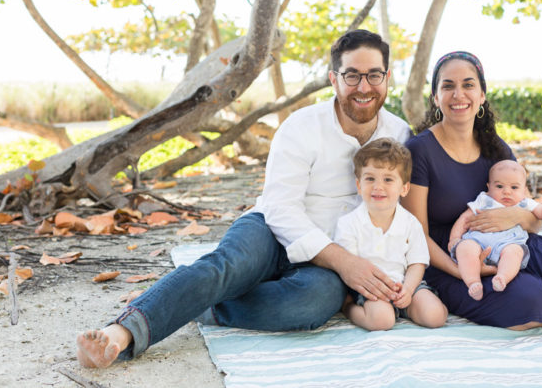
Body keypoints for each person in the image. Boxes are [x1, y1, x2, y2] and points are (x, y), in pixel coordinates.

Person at [76, 29, 412, 368]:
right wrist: (344, 261)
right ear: (333, 79)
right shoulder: (301, 126)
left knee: (315, 302)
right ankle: (124, 331)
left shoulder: (399, 134)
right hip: (270, 229)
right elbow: (281, 209)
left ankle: (197, 303)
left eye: (374, 75)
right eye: (352, 75)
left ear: (386, 77)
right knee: (229, 266)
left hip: (327, 257)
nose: (364, 86)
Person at [402, 51, 542, 330]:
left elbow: (532, 219)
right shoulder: (419, 150)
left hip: (510, 241)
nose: (459, 94)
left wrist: (512, 218)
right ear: (435, 98)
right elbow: (415, 233)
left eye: (468, 85)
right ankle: (533, 291)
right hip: (454, 257)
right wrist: (460, 270)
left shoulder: (495, 147)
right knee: (532, 307)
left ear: (482, 95)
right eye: (448, 86)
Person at [333, 138, 447, 331]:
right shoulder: (348, 224)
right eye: (370, 179)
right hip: (370, 288)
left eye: (388, 179)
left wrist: (409, 290)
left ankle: (407, 309)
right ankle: (348, 307)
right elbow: (350, 267)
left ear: (404, 188)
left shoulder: (410, 223)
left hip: (406, 284)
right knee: (382, 321)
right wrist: (375, 291)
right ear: (359, 185)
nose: (378, 186)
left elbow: (417, 262)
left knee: (435, 316)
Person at [448, 159, 542, 301]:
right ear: (489, 187)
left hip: (507, 244)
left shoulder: (524, 203)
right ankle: (473, 282)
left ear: (524, 190)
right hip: (477, 241)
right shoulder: (483, 200)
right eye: (499, 186)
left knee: (515, 252)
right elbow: (464, 218)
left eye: (514, 188)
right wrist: (455, 238)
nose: (506, 192)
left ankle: (502, 277)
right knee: (465, 248)